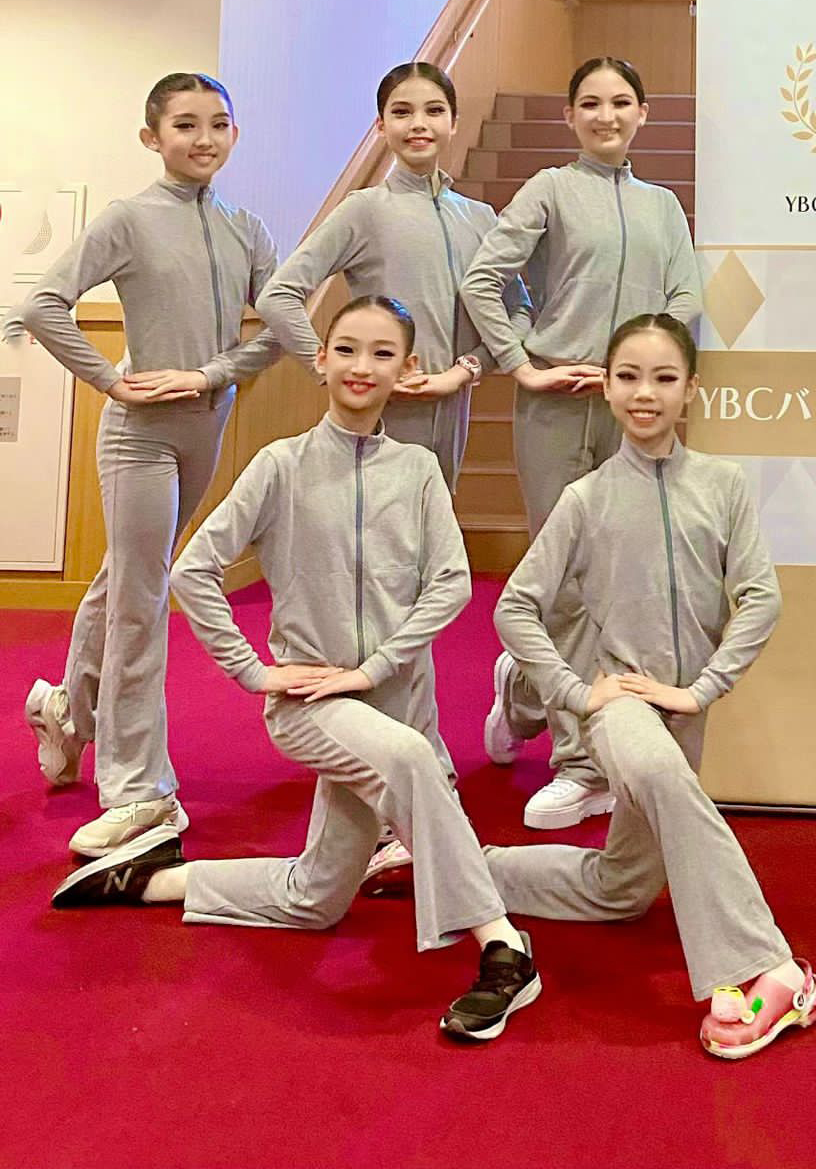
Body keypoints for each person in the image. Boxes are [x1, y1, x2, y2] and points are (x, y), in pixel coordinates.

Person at [49, 295, 543, 1043]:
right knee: (414, 761)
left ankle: (153, 878)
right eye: (346, 349)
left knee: (315, 897)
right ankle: (503, 946)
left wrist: (375, 668)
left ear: (409, 370)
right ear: (320, 360)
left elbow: (449, 584)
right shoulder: (280, 465)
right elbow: (193, 571)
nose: (361, 366)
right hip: (312, 704)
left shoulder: (418, 471)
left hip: (393, 702)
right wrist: (254, 672)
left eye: (382, 353)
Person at [482, 313, 816, 1058]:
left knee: (623, 887)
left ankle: (462, 867)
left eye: (664, 378)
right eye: (629, 377)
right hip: (622, 704)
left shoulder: (724, 486)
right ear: (606, 388)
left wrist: (702, 690)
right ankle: (769, 967)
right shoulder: (585, 498)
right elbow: (515, 606)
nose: (646, 393)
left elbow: (760, 597)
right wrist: (577, 694)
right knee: (667, 781)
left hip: (684, 707)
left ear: (690, 389)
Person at [257, 60, 531, 891]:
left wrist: (466, 370)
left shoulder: (480, 218)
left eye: (433, 110)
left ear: (452, 121)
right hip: (370, 432)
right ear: (381, 126)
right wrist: (338, 366)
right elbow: (282, 294)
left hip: (445, 419)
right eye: (402, 111)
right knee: (376, 595)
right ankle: (400, 781)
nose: (418, 124)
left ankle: (416, 763)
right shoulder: (364, 211)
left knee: (421, 590)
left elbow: (517, 307)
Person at [19, 73, 286, 858]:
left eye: (219, 124)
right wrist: (109, 379)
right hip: (138, 434)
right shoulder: (128, 219)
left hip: (206, 423)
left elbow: (281, 329)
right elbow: (41, 305)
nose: (204, 139)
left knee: (129, 578)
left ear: (235, 134)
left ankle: (66, 710)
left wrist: (210, 375)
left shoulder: (246, 229)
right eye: (185, 125)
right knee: (142, 598)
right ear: (152, 137)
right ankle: (135, 786)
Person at [461, 56, 701, 832]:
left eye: (621, 102)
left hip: (633, 412)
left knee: (623, 580)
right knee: (563, 582)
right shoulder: (549, 190)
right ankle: (578, 764)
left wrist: (642, 372)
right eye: (591, 103)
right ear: (570, 116)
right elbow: (484, 278)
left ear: (642, 113)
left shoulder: (662, 206)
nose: (607, 116)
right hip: (558, 408)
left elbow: (686, 296)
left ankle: (524, 690)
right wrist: (522, 361)